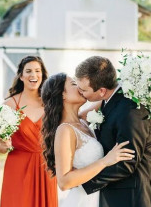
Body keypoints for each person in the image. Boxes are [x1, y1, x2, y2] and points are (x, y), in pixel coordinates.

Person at [75, 56, 151, 207]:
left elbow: (127, 163)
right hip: (117, 194)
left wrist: (83, 182)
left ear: (101, 91)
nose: (80, 92)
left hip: (134, 197)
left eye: (83, 90)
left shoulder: (130, 110)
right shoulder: (109, 100)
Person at [41, 72, 135, 207]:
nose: (80, 87)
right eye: (74, 84)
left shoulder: (83, 120)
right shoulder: (65, 130)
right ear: (63, 95)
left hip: (101, 197)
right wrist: (105, 161)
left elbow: (108, 97)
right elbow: (64, 182)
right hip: (84, 201)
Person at [0, 56, 58, 207]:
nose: (34, 75)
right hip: (18, 167)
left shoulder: (51, 103)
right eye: (29, 71)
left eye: (37, 71)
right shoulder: (10, 105)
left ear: (42, 75)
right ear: (21, 76)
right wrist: (3, 145)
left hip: (46, 166)